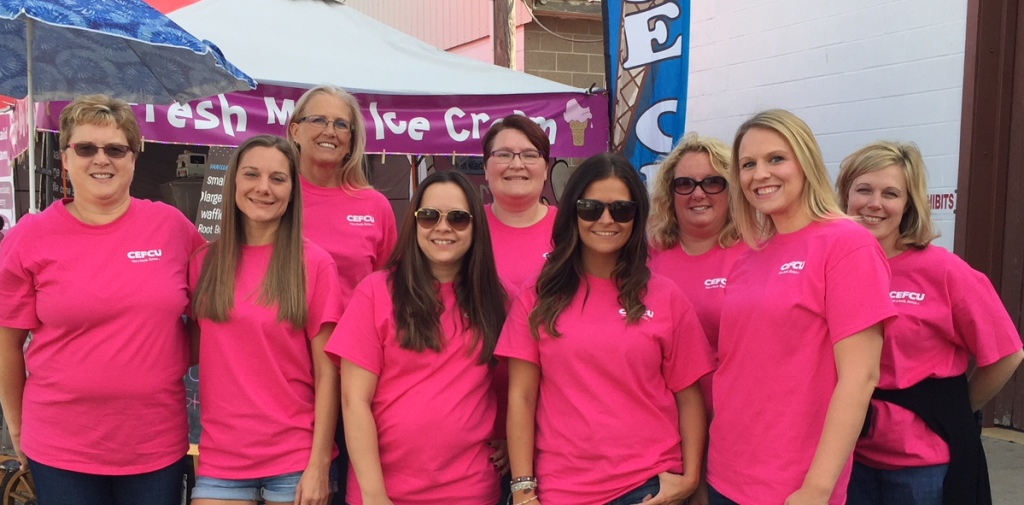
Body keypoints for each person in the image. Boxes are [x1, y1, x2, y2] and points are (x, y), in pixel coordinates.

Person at [0, 95, 204, 505]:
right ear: (65, 157)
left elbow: (209, 313)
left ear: (134, 159)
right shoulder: (30, 236)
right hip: (60, 447)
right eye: (86, 148)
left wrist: (170, 360)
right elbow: (7, 342)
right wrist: (17, 428)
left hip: (154, 443)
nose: (101, 159)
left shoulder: (171, 228)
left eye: (115, 149)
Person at [498, 153, 714, 505]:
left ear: (637, 217)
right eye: (591, 208)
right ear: (573, 212)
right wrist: (523, 491)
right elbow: (521, 397)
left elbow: (689, 396)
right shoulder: (538, 295)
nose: (606, 219)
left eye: (621, 210)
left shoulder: (666, 296)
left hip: (649, 488)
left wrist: (689, 479)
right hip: (562, 490)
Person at [707, 109, 897, 505]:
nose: (760, 174)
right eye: (748, 164)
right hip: (726, 472)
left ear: (805, 162)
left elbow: (860, 377)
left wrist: (817, 488)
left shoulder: (847, 245)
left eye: (776, 158)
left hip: (792, 484)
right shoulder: (748, 257)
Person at [836, 141, 1023, 505]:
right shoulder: (835, 268)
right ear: (845, 195)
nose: (874, 203)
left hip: (921, 467)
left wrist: (956, 408)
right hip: (848, 456)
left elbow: (1007, 354)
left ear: (908, 204)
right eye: (864, 190)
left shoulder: (943, 271)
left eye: (890, 193)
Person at [326, 170, 510, 505]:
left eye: (458, 218)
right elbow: (354, 401)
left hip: (471, 491)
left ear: (475, 228)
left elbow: (515, 386)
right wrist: (374, 495)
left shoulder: (498, 299)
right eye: (429, 216)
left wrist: (508, 439)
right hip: (384, 492)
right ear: (414, 223)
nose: (443, 227)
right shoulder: (376, 292)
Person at [189, 135, 340, 505]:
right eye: (251, 174)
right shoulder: (203, 263)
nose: (263, 188)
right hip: (220, 461)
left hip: (295, 460)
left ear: (292, 191)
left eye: (278, 178)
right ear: (233, 182)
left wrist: (319, 465)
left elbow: (328, 373)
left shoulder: (315, 264)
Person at [287, 85, 398, 501]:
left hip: (357, 383)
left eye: (341, 124)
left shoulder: (374, 205)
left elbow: (389, 294)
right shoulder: (276, 196)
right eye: (318, 120)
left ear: (352, 139)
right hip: (286, 377)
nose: (329, 131)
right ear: (295, 129)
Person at [648, 132, 746, 412]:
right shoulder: (646, 257)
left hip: (730, 413)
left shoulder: (755, 254)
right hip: (660, 415)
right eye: (685, 184)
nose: (698, 193)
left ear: (732, 189)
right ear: (670, 193)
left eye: (713, 182)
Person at [481, 114, 557, 287]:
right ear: (485, 168)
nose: (516, 165)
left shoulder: (569, 228)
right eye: (504, 155)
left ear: (546, 169)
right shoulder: (467, 226)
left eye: (529, 155)